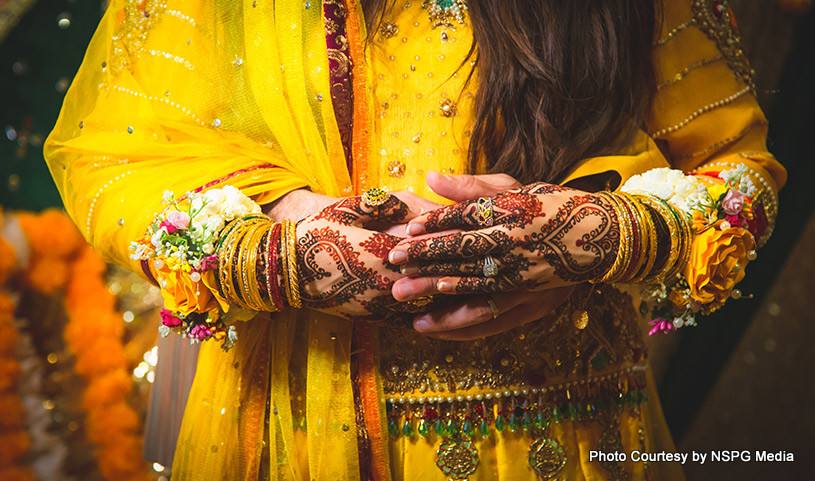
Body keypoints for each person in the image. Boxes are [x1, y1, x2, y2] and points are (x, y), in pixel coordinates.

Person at [44, 0, 785, 480]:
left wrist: (605, 233)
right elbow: (110, 156)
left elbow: (738, 170)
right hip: (292, 419)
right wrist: (276, 251)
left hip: (563, 430)